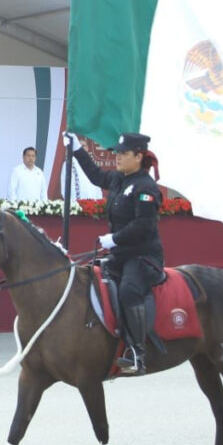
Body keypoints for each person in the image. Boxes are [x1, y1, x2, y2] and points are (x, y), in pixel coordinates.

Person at [66, 131, 162, 374]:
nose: (118, 158)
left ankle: (138, 353)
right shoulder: (120, 179)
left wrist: (114, 239)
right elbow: (97, 175)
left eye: (123, 154)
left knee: (129, 291)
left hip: (142, 256)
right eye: (117, 153)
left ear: (138, 157)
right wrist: (77, 149)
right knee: (89, 279)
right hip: (119, 253)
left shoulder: (145, 187)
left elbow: (144, 226)